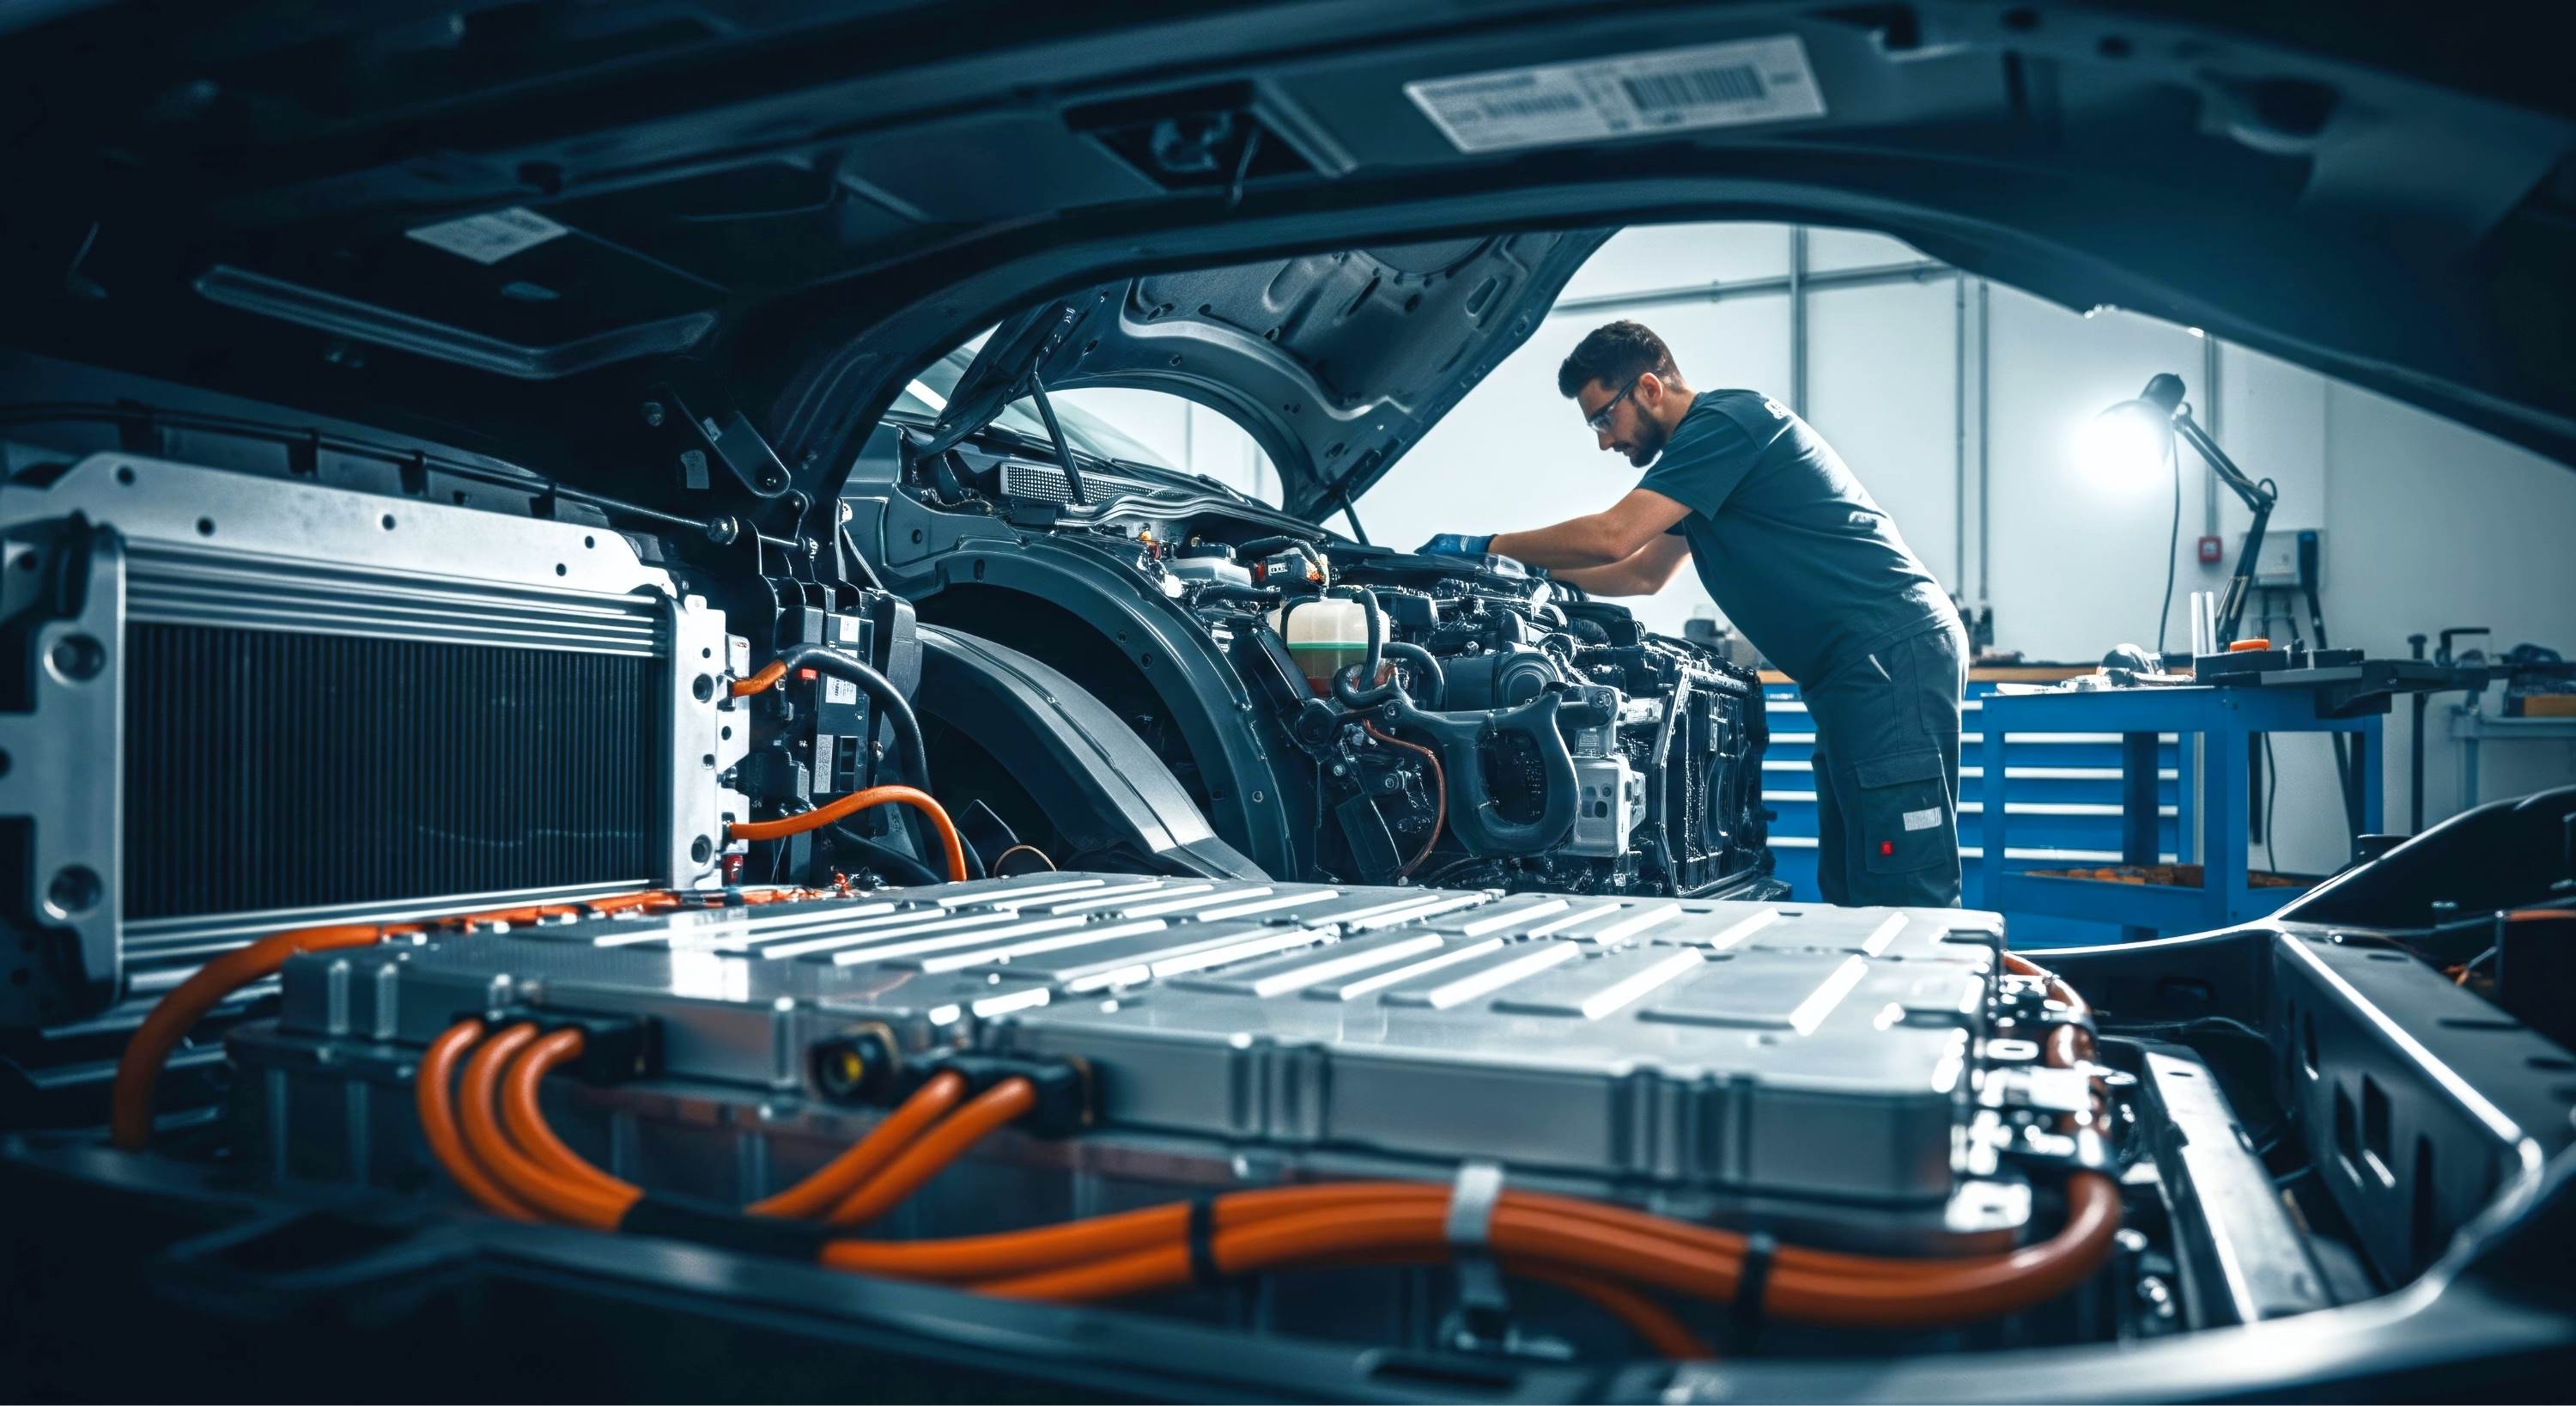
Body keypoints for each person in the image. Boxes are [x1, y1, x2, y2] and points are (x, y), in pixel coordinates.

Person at [1417, 320, 1968, 908]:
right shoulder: (1704, 462)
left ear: (1649, 388)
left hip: (1889, 654)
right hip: (1854, 674)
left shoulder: (1725, 425)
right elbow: (1643, 574)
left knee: (1906, 888)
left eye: (1604, 418)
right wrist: (1526, 577)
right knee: (1854, 883)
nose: (1604, 442)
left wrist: (1485, 546)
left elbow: (1613, 537)